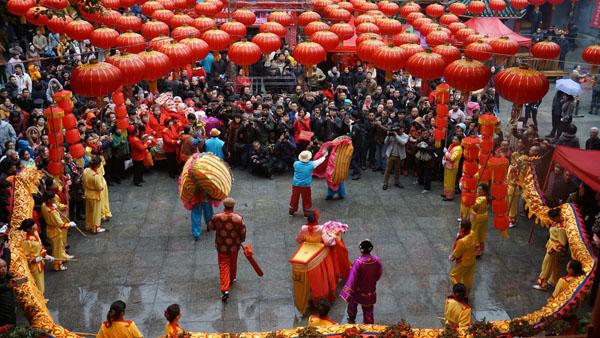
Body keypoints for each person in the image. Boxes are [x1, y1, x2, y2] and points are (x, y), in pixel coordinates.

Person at [208, 197, 246, 302]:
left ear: (224, 206)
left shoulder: (217, 217)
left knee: (224, 265)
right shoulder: (238, 218)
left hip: (221, 246)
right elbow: (242, 233)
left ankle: (225, 289)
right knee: (233, 262)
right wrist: (241, 240)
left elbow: (211, 227)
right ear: (233, 206)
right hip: (234, 246)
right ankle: (232, 277)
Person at [340, 239, 383, 324]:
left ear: (361, 249)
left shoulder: (358, 262)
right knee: (368, 309)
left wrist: (347, 292)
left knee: (352, 304)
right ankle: (369, 326)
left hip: (358, 290)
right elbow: (379, 273)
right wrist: (372, 281)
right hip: (370, 289)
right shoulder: (377, 260)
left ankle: (351, 319)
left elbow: (353, 278)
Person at [41, 192, 76, 271]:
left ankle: (63, 256)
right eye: (53, 198)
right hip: (55, 231)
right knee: (56, 249)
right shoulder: (51, 212)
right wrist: (70, 224)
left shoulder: (44, 205)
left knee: (60, 246)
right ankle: (57, 265)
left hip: (51, 229)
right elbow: (61, 224)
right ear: (49, 200)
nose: (54, 199)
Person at [534, 208, 567, 291]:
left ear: (556, 217)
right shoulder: (557, 223)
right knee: (554, 265)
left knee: (546, 265)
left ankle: (542, 284)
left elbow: (562, 243)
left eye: (552, 218)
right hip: (551, 246)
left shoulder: (561, 228)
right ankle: (553, 280)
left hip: (553, 250)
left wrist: (553, 249)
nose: (551, 220)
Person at [19, 218, 53, 294]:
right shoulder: (26, 242)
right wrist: (34, 259)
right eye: (33, 224)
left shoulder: (36, 233)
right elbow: (25, 256)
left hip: (40, 262)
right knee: (38, 284)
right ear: (28, 229)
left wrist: (46, 255)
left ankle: (42, 297)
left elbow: (41, 247)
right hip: (34, 266)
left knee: (41, 282)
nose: (36, 225)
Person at [289, 150, 328, 216]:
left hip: (295, 184)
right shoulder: (312, 164)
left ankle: (292, 211)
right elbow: (319, 161)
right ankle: (306, 213)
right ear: (308, 158)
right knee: (306, 198)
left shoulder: (296, 163)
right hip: (306, 185)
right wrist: (324, 156)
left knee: (294, 197)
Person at [449, 219, 477, 295]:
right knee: (468, 279)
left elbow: (457, 253)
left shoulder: (462, 241)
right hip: (472, 261)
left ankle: (459, 291)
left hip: (463, 263)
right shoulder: (473, 233)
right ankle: (466, 296)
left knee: (453, 276)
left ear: (463, 228)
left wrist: (452, 256)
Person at [83, 157, 106, 234]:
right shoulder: (95, 176)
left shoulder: (86, 171)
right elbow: (100, 187)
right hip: (95, 196)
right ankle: (96, 228)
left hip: (88, 194)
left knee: (89, 211)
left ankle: (88, 225)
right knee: (96, 213)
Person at [382, 124, 408, 190]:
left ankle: (397, 182)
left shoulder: (405, 136)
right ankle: (385, 183)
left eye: (401, 129)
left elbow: (403, 143)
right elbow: (385, 142)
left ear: (403, 129)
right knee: (388, 169)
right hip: (390, 155)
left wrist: (396, 135)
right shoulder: (392, 134)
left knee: (397, 170)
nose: (400, 130)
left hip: (399, 156)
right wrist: (388, 136)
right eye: (399, 129)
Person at [0, 257, 23, 326]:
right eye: (0, 267)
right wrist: (7, 286)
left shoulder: (9, 277)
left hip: (11, 312)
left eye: (5, 266)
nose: (3, 269)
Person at [470, 184, 489, 256]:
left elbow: (474, 206)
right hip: (483, 217)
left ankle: (477, 250)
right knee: (481, 233)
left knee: (476, 233)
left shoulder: (481, 199)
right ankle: (480, 248)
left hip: (478, 219)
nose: (478, 191)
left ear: (485, 192)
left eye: (481, 189)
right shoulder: (484, 198)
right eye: (478, 189)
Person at [442, 136, 463, 201]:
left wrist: (446, 153)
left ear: (459, 141)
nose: (453, 140)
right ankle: (445, 193)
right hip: (447, 165)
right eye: (453, 139)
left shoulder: (458, 148)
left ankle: (449, 196)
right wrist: (444, 158)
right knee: (446, 180)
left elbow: (452, 158)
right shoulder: (451, 145)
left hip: (452, 167)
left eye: (456, 139)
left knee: (450, 182)